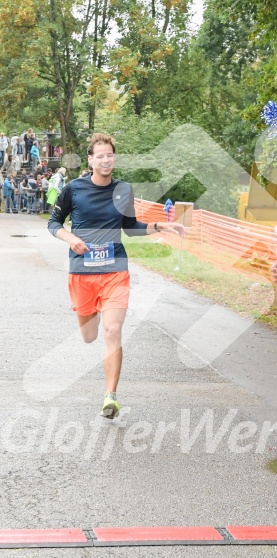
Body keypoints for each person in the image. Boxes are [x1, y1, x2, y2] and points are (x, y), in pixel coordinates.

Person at [48, 132, 186, 419]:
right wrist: (70, 239)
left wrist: (161, 226)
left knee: (112, 331)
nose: (105, 159)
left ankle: (110, 396)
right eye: (99, 155)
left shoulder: (123, 189)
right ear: (90, 159)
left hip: (115, 270)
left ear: (114, 157)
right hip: (82, 272)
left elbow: (130, 226)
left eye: (109, 154)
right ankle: (92, 313)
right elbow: (53, 223)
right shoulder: (74, 189)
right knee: (89, 336)